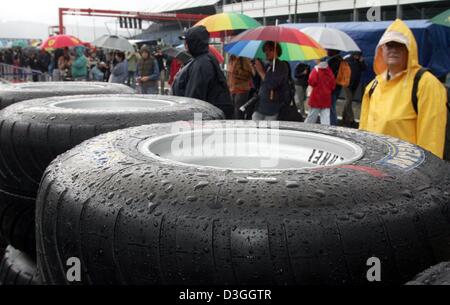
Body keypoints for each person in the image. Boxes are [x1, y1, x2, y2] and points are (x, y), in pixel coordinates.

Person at [359, 19, 448, 159]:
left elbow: (432, 139)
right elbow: (363, 131)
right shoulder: (373, 86)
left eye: (400, 45)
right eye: (389, 45)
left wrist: (425, 177)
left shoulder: (426, 84)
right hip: (375, 169)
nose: (394, 49)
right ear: (382, 50)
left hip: (407, 172)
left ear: (410, 49)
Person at [172, 26, 232, 118]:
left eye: (187, 41)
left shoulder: (202, 64)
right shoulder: (203, 59)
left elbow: (195, 99)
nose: (185, 45)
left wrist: (194, 122)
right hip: (211, 115)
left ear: (194, 43)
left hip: (206, 118)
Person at [251, 41, 290, 121]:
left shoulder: (282, 66)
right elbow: (257, 85)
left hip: (273, 109)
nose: (266, 52)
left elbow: (272, 84)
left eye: (270, 50)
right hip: (260, 106)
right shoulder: (266, 65)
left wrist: (261, 71)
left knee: (269, 132)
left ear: (276, 51)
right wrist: (254, 71)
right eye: (265, 50)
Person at [304, 58, 336, 125]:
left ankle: (305, 130)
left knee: (311, 117)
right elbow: (333, 85)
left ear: (318, 60)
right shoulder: (329, 70)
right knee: (325, 118)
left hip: (316, 97)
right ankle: (325, 132)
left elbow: (311, 82)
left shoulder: (316, 70)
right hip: (326, 97)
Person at [342, 51, 367, 127]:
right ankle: (351, 119)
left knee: (349, 101)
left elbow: (364, 68)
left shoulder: (359, 61)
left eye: (358, 56)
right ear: (354, 55)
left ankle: (344, 116)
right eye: (356, 55)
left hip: (355, 84)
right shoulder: (347, 59)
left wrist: (362, 62)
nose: (357, 57)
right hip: (346, 83)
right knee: (349, 100)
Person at [227, 55, 254, 119]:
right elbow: (229, 74)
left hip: (241, 89)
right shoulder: (231, 58)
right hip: (232, 89)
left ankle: (238, 127)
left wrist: (238, 74)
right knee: (232, 112)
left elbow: (250, 73)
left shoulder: (244, 59)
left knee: (238, 112)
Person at [327, 49, 343, 126]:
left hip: (331, 88)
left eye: (328, 50)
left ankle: (333, 125)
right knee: (331, 106)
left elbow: (328, 75)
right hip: (338, 86)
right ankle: (332, 123)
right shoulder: (341, 60)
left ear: (333, 51)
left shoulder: (332, 61)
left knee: (331, 107)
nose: (327, 51)